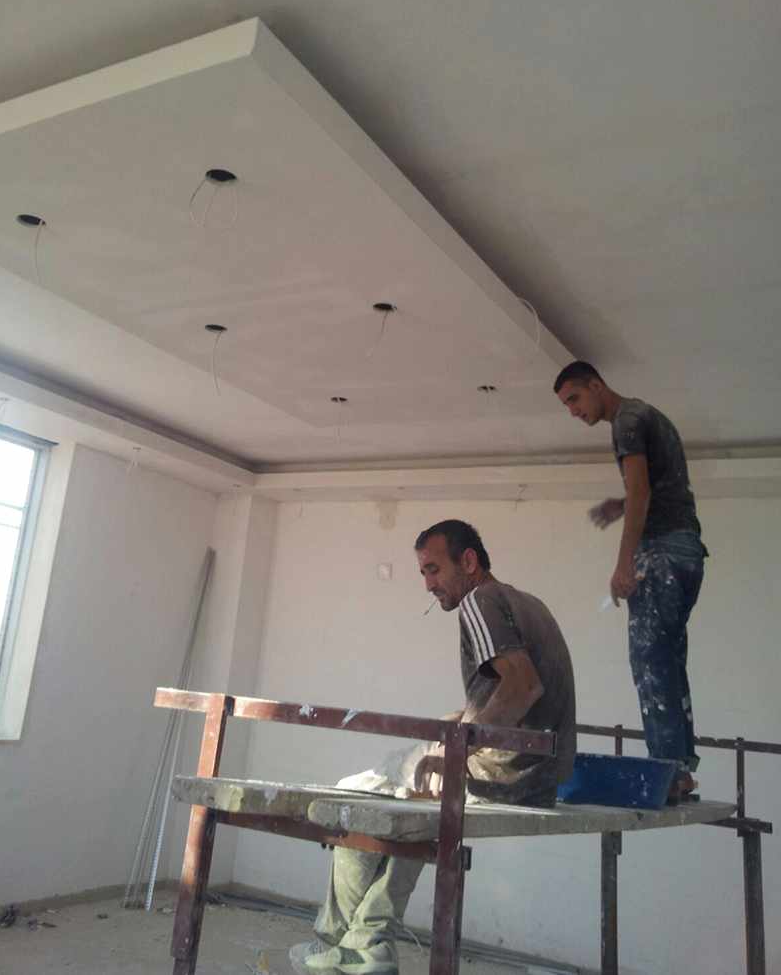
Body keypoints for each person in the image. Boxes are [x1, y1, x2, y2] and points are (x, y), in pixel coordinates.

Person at [290, 519, 576, 975]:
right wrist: (461, 721)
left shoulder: (480, 601)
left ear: (469, 561)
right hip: (538, 779)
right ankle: (369, 942)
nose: (428, 584)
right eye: (423, 573)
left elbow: (523, 686)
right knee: (411, 808)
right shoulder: (530, 604)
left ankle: (337, 941)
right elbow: (510, 696)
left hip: (501, 774)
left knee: (354, 796)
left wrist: (455, 750)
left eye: (434, 569)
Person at [553, 361, 707, 801]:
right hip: (688, 554)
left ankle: (668, 773)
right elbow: (659, 487)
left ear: (596, 386)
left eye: (575, 399)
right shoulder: (648, 414)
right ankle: (680, 769)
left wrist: (624, 565)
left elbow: (642, 491)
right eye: (566, 405)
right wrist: (621, 505)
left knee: (649, 661)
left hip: (661, 555)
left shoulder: (626, 422)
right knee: (668, 661)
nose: (573, 411)